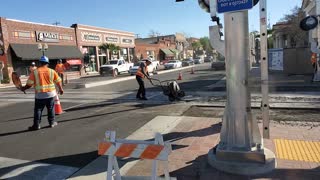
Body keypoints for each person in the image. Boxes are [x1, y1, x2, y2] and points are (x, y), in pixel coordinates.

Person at [21, 56, 64, 131]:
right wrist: (61, 89)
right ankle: (52, 123)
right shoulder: (51, 71)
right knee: (51, 108)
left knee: (38, 110)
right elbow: (58, 81)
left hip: (40, 95)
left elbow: (29, 84)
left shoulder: (35, 72)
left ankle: (36, 125)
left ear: (40, 63)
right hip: (51, 94)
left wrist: (24, 88)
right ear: (47, 63)